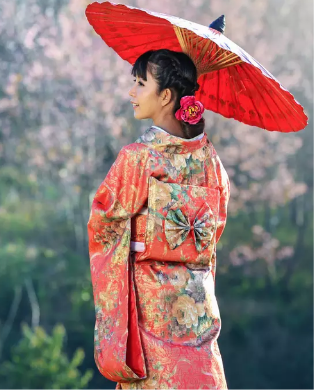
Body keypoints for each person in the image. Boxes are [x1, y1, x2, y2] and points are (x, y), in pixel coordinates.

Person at [88, 49, 229, 388]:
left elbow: (103, 224)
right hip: (196, 304)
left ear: (166, 95)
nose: (131, 93)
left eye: (140, 84)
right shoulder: (210, 160)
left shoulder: (139, 158)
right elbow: (213, 229)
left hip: (152, 304)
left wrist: (139, 239)